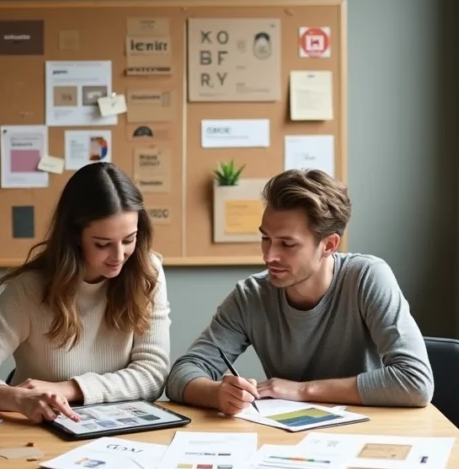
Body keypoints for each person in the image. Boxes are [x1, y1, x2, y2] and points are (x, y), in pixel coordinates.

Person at [165, 169, 433, 416]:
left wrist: (303, 390)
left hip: (368, 431)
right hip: (288, 435)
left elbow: (415, 381)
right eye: (265, 239)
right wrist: (219, 394)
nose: (270, 256)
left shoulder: (367, 277)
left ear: (328, 245)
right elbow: (181, 375)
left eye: (287, 244)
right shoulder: (251, 296)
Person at [0, 162, 171, 423]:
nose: (119, 256)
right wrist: (17, 399)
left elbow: (152, 376)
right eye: (102, 244)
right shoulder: (30, 289)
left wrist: (66, 388)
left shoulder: (147, 273)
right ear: (75, 236)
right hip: (43, 429)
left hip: (121, 428)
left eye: (129, 239)